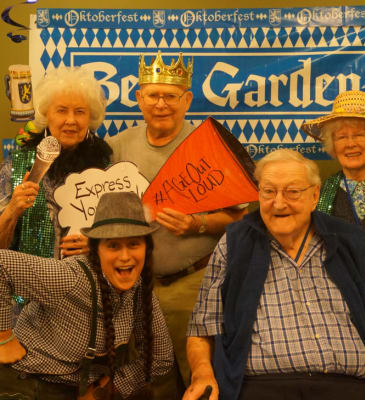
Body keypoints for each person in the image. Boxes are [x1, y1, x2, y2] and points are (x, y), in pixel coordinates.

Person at [184, 149, 365, 400]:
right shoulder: (234, 243)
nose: (278, 203)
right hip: (262, 388)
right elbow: (201, 328)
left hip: (348, 387)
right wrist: (202, 375)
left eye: (292, 192)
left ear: (314, 195)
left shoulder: (351, 242)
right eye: (269, 191)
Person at [107, 51, 247, 389]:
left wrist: (197, 224)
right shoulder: (116, 146)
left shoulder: (210, 146)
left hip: (194, 284)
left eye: (170, 96)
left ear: (186, 100)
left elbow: (240, 218)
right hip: (133, 287)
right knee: (143, 380)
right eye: (153, 95)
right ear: (139, 99)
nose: (161, 104)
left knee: (200, 374)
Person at [0, 191, 174, 399]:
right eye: (113, 246)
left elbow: (161, 358)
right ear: (96, 250)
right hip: (25, 384)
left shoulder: (139, 292)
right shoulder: (71, 277)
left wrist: (105, 389)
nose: (125, 256)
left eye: (134, 244)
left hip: (75, 390)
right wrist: (3, 336)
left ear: (147, 248)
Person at [0, 66, 112, 259]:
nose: (71, 120)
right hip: (28, 284)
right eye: (61, 111)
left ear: (90, 117)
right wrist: (12, 211)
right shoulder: (15, 167)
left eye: (79, 111)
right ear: (46, 115)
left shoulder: (104, 168)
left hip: (87, 285)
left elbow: (121, 240)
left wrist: (97, 246)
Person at [301, 90, 365, 286]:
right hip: (338, 305)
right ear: (332, 145)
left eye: (359, 135)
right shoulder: (317, 196)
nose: (350, 144)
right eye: (341, 137)